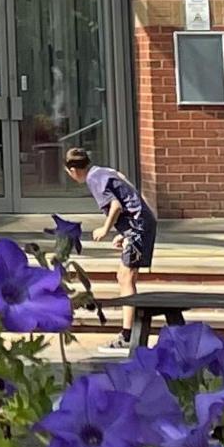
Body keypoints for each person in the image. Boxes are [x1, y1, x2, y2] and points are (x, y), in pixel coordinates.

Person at [64, 145, 154, 343]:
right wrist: (124, 232)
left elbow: (116, 205)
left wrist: (105, 229)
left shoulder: (93, 179)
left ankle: (128, 335)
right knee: (124, 277)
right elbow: (129, 192)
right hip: (139, 225)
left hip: (138, 227)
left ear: (73, 170)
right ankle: (129, 332)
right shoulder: (104, 172)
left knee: (126, 278)